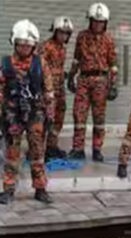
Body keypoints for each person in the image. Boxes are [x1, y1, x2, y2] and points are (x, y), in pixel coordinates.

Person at [0, 20, 54, 204]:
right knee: (12, 153)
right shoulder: (5, 64)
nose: (25, 48)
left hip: (35, 113)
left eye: (28, 45)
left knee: (37, 152)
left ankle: (40, 188)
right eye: (21, 45)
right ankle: (8, 189)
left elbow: (48, 91)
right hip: (12, 115)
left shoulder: (41, 64)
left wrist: (50, 113)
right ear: (15, 43)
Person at [67, 2, 118, 162]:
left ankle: (97, 149)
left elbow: (113, 64)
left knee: (99, 117)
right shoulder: (82, 36)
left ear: (105, 22)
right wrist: (71, 77)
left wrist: (113, 85)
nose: (98, 24)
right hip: (84, 79)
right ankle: (78, 149)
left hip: (101, 81)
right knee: (79, 115)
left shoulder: (109, 39)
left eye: (101, 22)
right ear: (90, 21)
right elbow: (76, 59)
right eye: (95, 21)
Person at [39, 16, 73, 162]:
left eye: (66, 33)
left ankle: (51, 146)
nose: (63, 36)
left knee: (59, 117)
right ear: (55, 31)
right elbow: (39, 67)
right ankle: (38, 149)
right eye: (61, 32)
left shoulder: (62, 49)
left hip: (60, 89)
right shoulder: (46, 46)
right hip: (48, 90)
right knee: (46, 118)